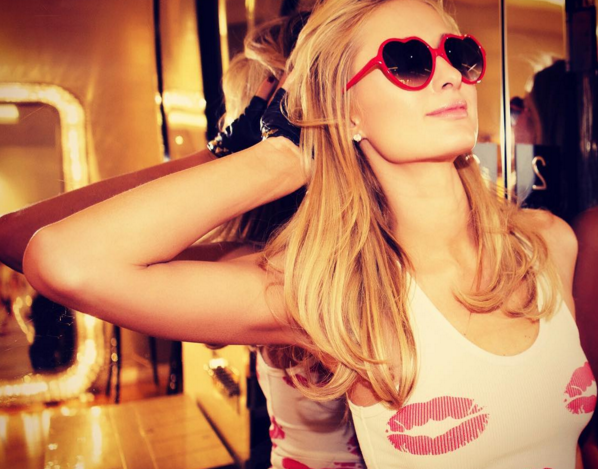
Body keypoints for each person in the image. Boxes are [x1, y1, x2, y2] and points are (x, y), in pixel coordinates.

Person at [21, 0, 595, 467]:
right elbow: (65, 261)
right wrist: (280, 157)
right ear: (348, 112)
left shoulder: (547, 243)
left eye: (458, 53)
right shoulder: (332, 294)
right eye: (408, 60)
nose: (449, 75)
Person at [0, 11, 365, 469]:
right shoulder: (269, 257)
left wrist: (251, 155)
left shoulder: (309, 276)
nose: (233, 120)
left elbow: (46, 253)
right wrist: (227, 153)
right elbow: (16, 240)